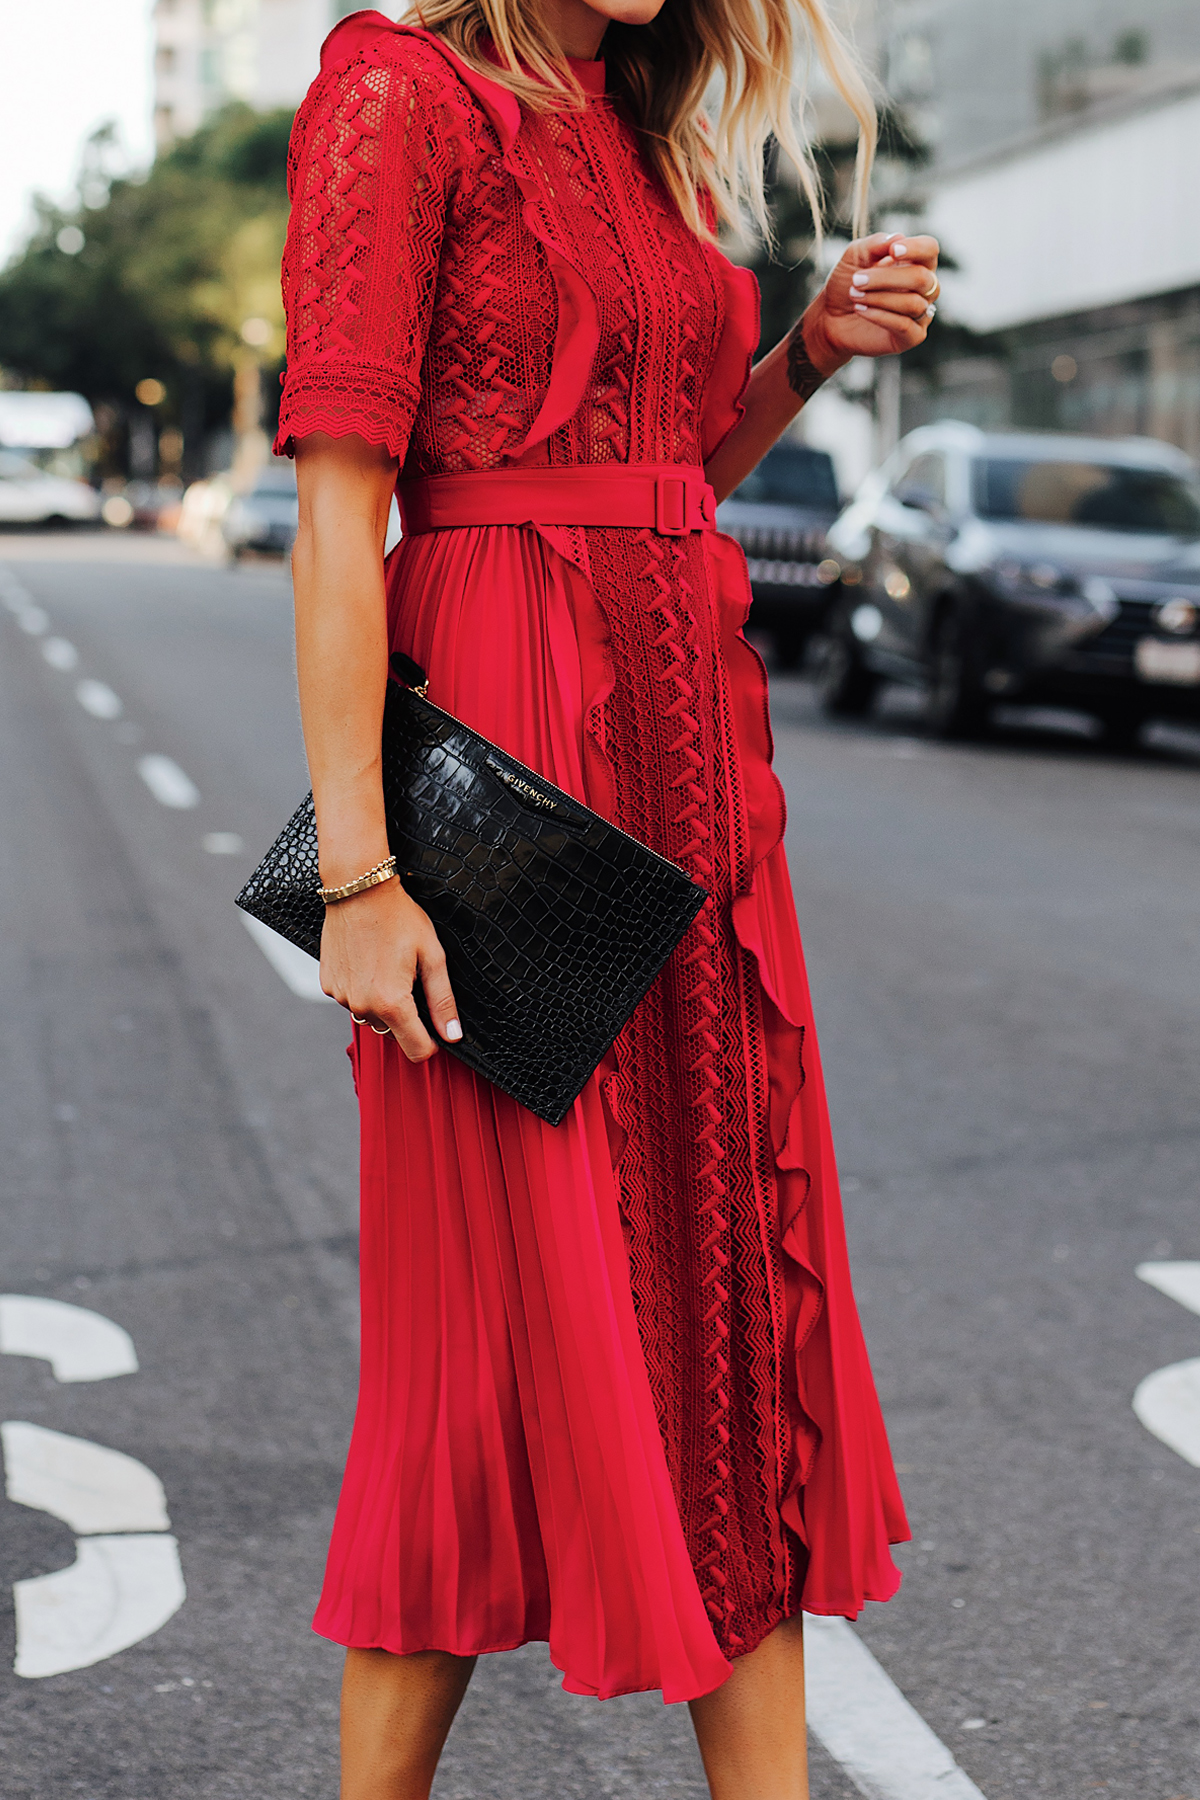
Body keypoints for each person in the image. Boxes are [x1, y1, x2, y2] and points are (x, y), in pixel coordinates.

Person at [279, 0, 939, 1793]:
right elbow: (347, 510)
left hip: (694, 767)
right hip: (499, 764)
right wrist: (359, 877)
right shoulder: (395, 96)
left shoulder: (631, 120)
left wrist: (800, 354)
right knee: (479, 1341)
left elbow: (656, 476)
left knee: (727, 1300)